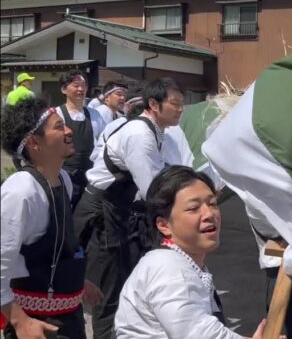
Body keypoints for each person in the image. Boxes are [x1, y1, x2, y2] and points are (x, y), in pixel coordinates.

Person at [74, 77, 185, 339]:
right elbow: (152, 190)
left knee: (125, 286)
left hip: (119, 211)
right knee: (108, 294)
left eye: (182, 104)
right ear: (153, 105)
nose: (180, 109)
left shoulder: (156, 133)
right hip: (102, 214)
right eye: (175, 103)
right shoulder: (139, 134)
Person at [115, 166, 280, 339]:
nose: (209, 214)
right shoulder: (167, 267)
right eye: (193, 208)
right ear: (164, 225)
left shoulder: (184, 263)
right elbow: (196, 334)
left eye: (212, 204)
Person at [1, 98, 102, 338]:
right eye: (59, 126)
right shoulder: (22, 190)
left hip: (69, 316)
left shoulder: (63, 180)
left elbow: (59, 247)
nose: (69, 130)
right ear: (35, 142)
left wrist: (77, 281)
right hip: (38, 325)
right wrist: (20, 321)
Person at [56, 70, 106, 209]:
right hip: (64, 172)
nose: (81, 89)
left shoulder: (95, 115)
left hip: (90, 174)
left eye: (83, 85)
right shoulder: (57, 114)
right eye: (76, 85)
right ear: (64, 89)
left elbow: (103, 143)